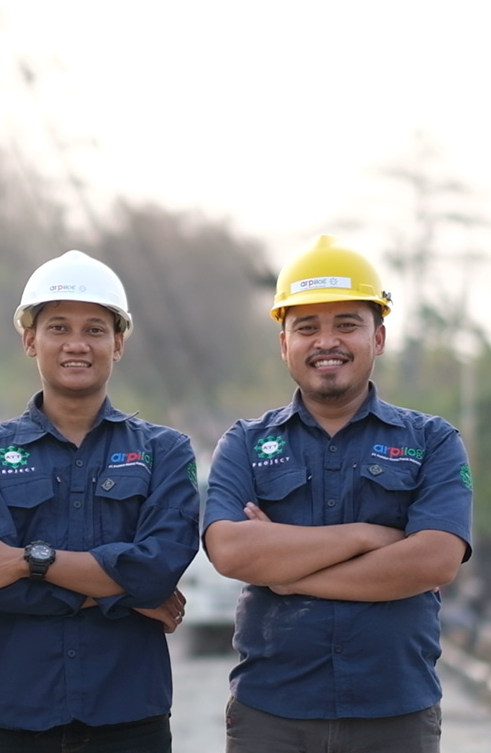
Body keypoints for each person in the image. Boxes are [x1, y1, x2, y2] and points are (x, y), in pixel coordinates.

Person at [203, 234, 473, 753]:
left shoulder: (433, 441)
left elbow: (435, 560)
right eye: (307, 327)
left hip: (395, 713)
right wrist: (368, 536)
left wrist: (288, 573)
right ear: (284, 344)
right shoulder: (245, 444)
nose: (326, 341)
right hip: (271, 716)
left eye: (346, 324)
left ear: (379, 337)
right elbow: (231, 551)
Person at [0, 249, 200, 753]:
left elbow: (158, 570)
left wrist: (28, 561)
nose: (77, 344)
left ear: (118, 343)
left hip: (131, 714)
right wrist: (127, 595)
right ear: (30, 340)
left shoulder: (165, 451)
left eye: (94, 330)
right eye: (58, 328)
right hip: (19, 714)